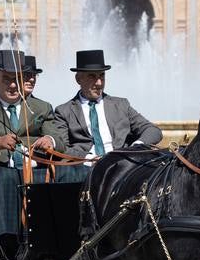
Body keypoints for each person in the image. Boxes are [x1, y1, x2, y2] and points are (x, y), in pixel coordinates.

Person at [0, 49, 66, 260]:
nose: (13, 85)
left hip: (39, 173)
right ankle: (8, 241)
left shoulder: (41, 108)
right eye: (6, 79)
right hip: (4, 172)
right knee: (9, 177)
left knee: (72, 173)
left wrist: (50, 140)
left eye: (17, 79)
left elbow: (58, 136)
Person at [53, 49, 163, 181]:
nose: (99, 83)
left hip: (122, 167)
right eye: (92, 76)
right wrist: (88, 158)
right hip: (85, 170)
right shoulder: (64, 111)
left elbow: (153, 130)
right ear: (78, 79)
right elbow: (61, 148)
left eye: (102, 76)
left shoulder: (121, 105)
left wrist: (134, 148)